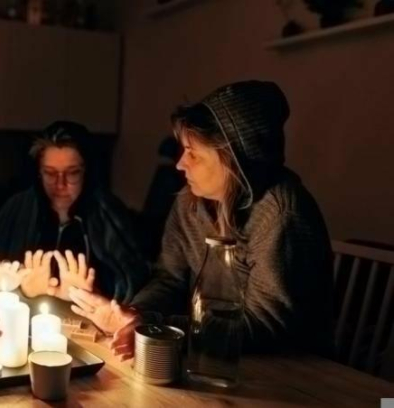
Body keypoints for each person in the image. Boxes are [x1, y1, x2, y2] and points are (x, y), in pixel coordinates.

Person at [69, 80, 333, 360]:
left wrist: (157, 327)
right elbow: (169, 278)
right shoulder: (189, 200)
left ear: (234, 161)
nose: (180, 164)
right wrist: (135, 314)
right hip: (212, 356)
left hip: (290, 369)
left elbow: (265, 326)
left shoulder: (281, 215)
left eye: (193, 154)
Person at [0, 121, 149, 304]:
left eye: (72, 173)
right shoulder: (16, 210)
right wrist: (25, 292)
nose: (60, 184)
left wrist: (93, 294)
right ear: (38, 172)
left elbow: (133, 287)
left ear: (87, 172)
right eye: (50, 173)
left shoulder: (109, 213)